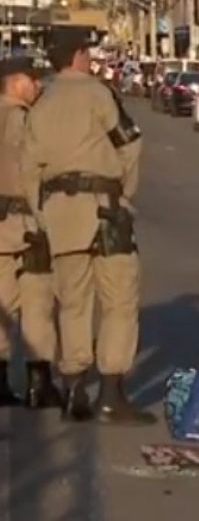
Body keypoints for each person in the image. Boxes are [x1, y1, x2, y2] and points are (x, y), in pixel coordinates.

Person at [20, 32, 155, 425]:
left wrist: (44, 213)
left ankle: (75, 387)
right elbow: (129, 143)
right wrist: (124, 195)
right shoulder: (99, 94)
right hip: (103, 209)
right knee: (118, 298)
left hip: (60, 214)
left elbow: (31, 168)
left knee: (72, 302)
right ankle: (111, 395)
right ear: (78, 55)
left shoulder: (40, 104)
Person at [0, 57, 62, 409]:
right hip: (27, 226)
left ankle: (2, 381)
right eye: (32, 80)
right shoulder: (23, 120)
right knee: (38, 302)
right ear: (14, 82)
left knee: (2, 305)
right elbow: (34, 173)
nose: (37, 86)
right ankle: (41, 385)